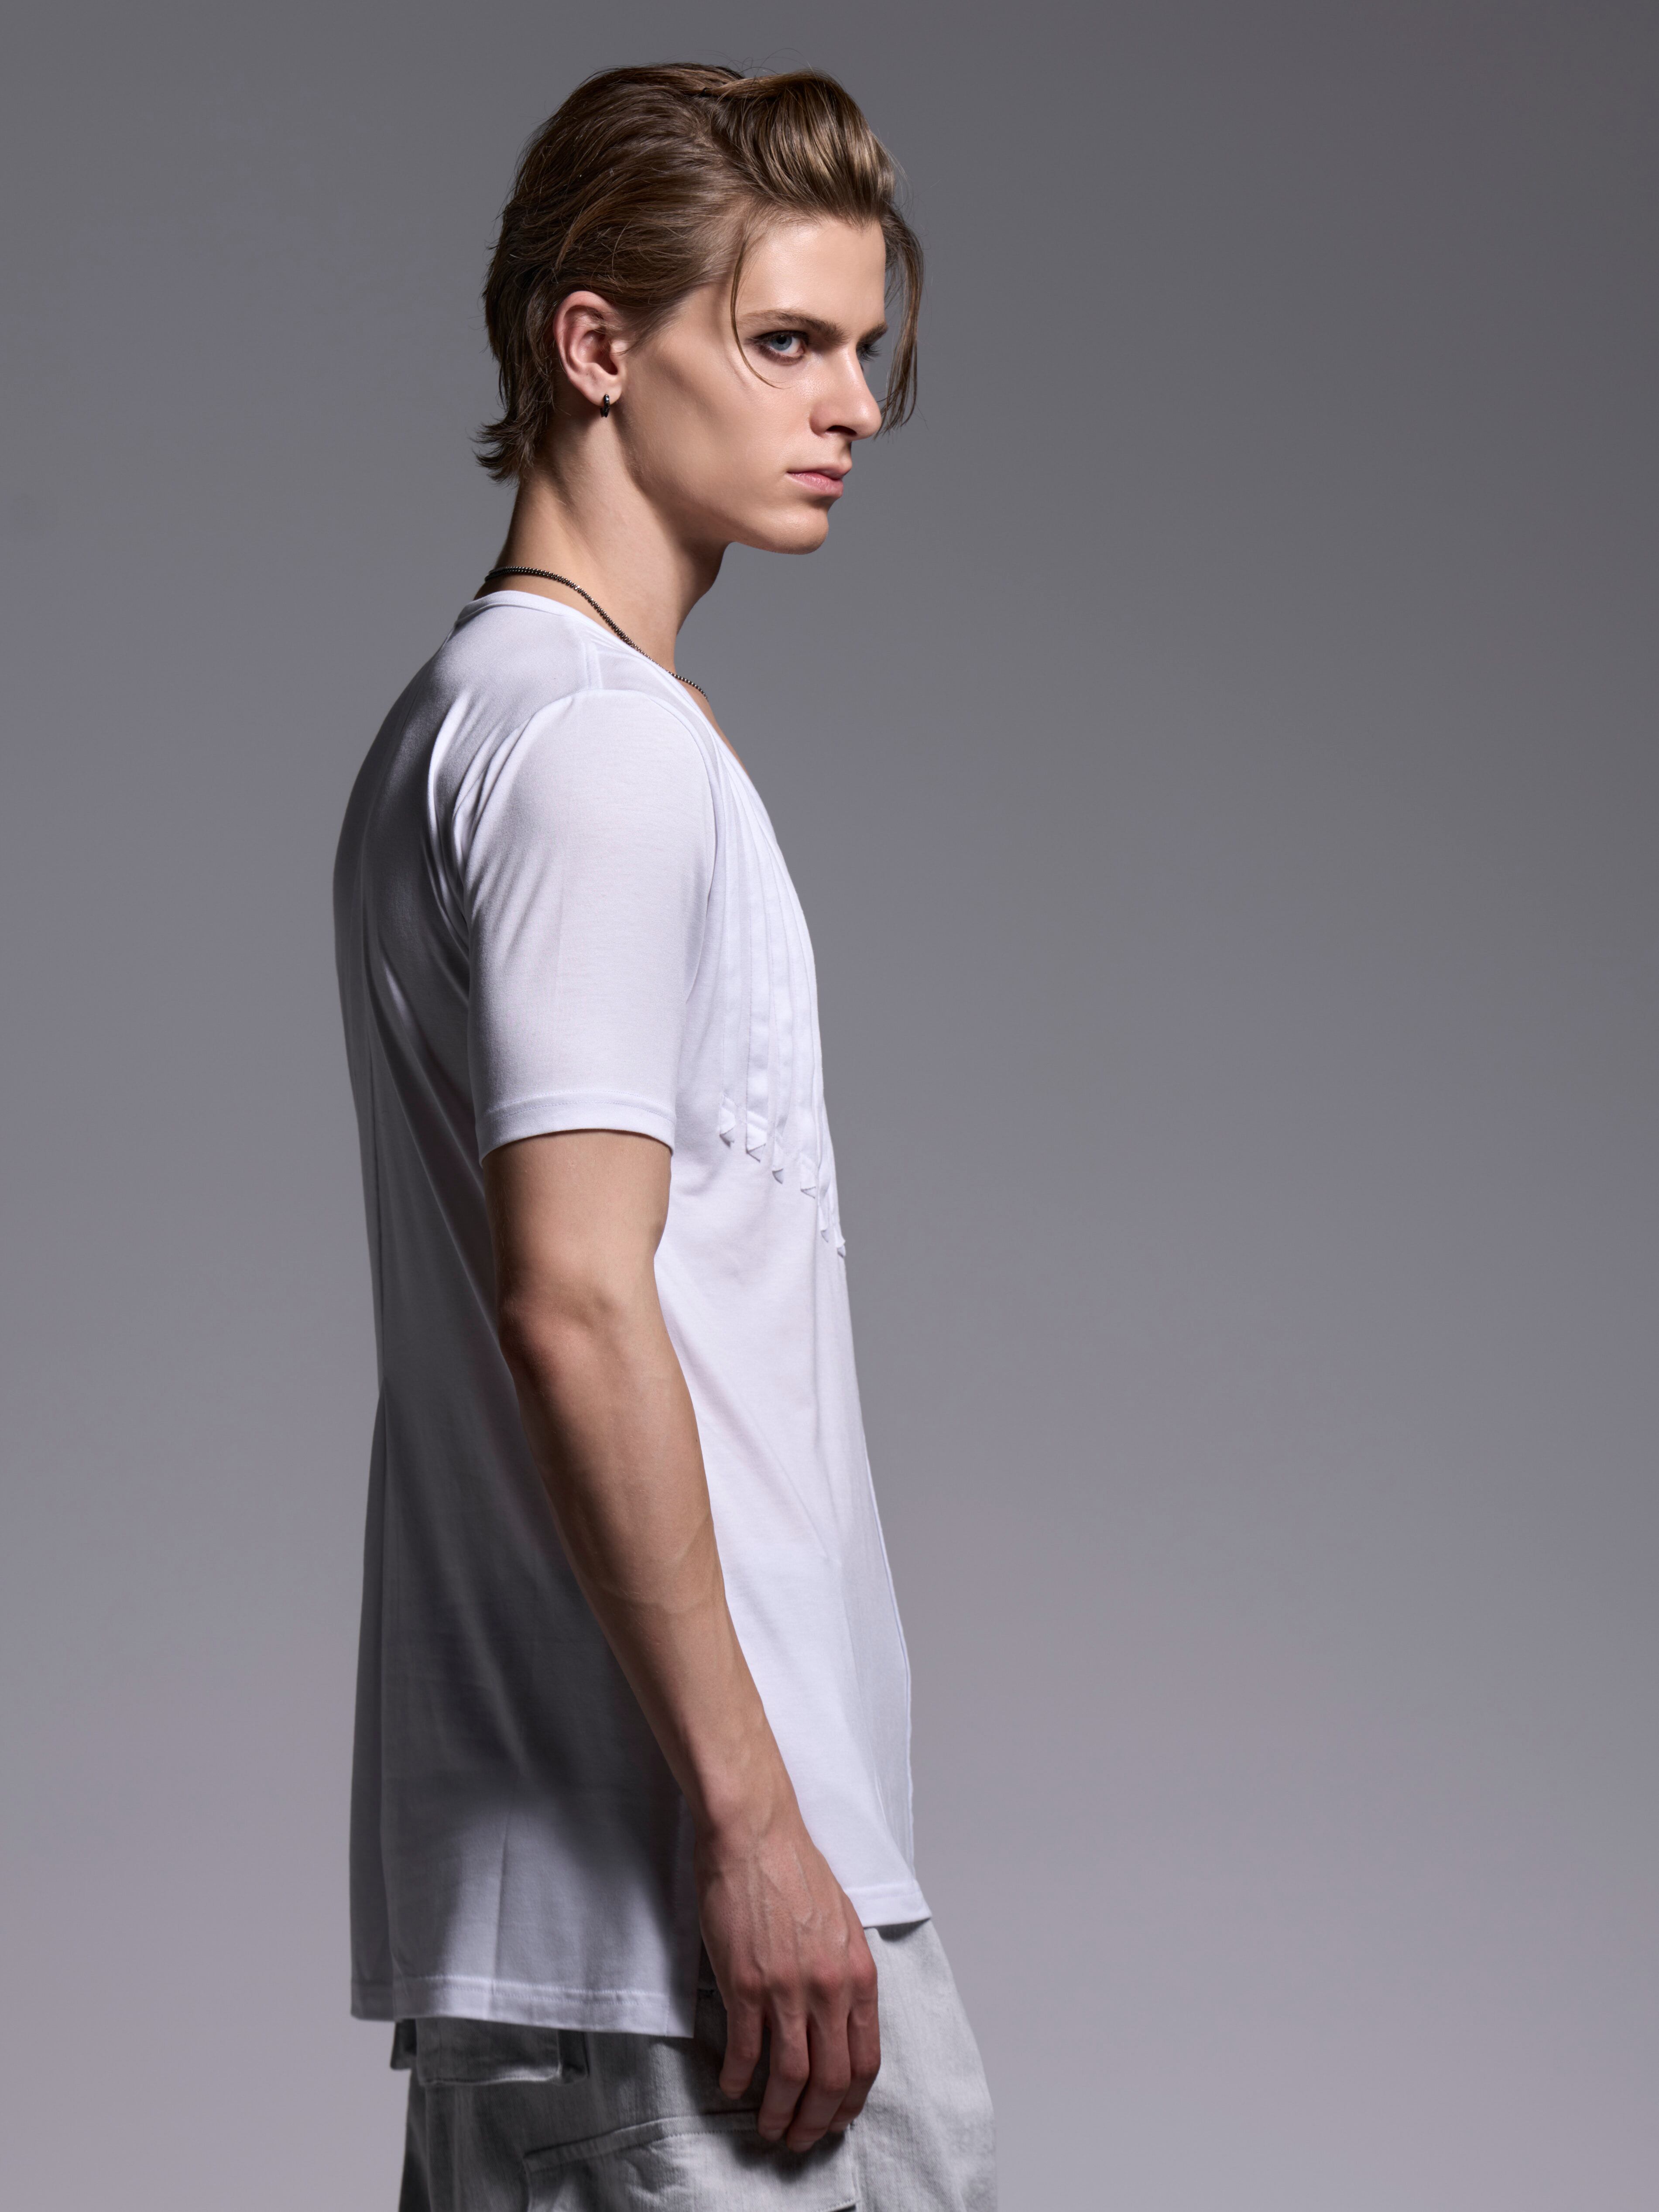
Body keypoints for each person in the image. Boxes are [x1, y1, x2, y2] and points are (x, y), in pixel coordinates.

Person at [332, 63, 995, 2209]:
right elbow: (574, 1300)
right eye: (787, 340)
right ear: (596, 344)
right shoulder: (592, 754)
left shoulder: (482, 724)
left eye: (864, 349)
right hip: (691, 1956)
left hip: (583, 1955)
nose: (856, 406)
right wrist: (757, 1823)